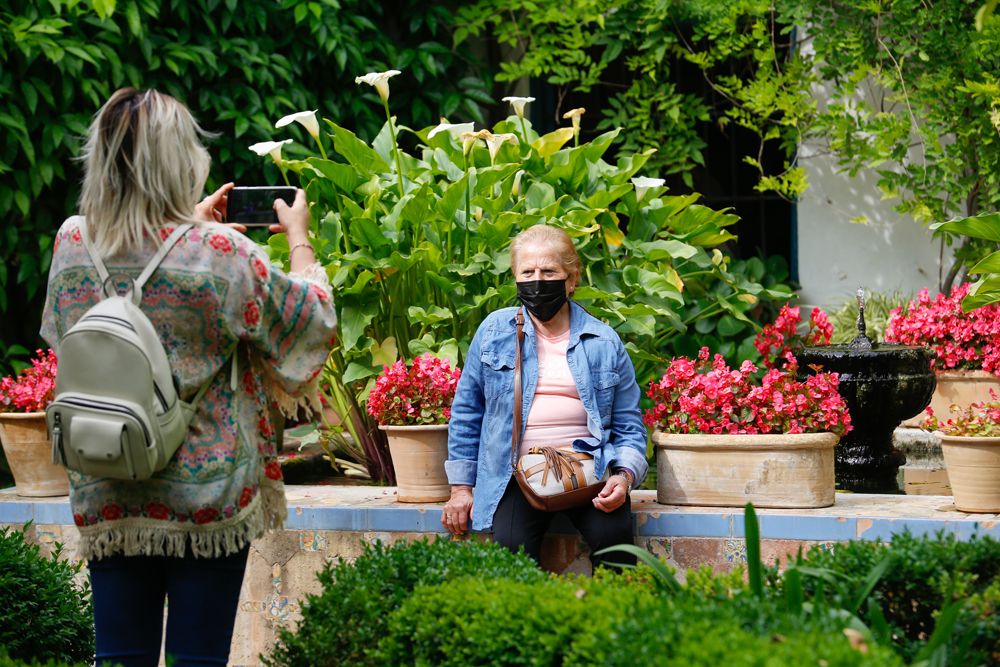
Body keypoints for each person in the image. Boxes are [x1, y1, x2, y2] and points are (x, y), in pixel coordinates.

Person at [40, 88, 336, 667]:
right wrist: (298, 237)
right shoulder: (222, 251)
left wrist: (184, 234)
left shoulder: (72, 240)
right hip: (207, 494)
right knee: (198, 661)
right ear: (179, 160)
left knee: (119, 658)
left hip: (108, 478)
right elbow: (311, 320)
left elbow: (65, 332)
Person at [441, 224, 648, 568]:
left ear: (571, 278)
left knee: (616, 547)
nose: (538, 280)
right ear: (515, 277)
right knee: (511, 551)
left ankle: (614, 618)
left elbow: (629, 423)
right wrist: (461, 489)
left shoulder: (604, 341)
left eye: (549, 271)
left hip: (588, 472)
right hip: (517, 475)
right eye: (528, 272)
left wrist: (623, 477)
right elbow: (467, 411)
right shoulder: (494, 331)